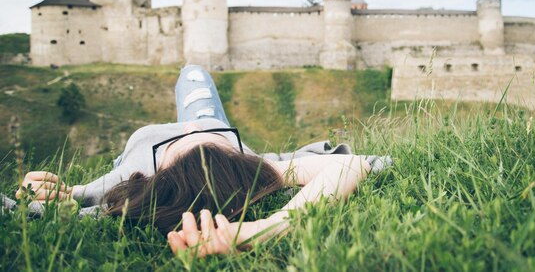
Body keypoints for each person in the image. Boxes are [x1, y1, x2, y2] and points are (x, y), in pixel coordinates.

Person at [12, 65, 389, 257]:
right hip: (214, 123)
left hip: (140, 169)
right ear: (234, 149)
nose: (189, 127)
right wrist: (271, 225)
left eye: (181, 140)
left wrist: (55, 192)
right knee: (194, 72)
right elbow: (356, 164)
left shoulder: (135, 177)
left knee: (191, 70)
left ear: (162, 169)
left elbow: (48, 206)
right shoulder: (258, 165)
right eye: (210, 137)